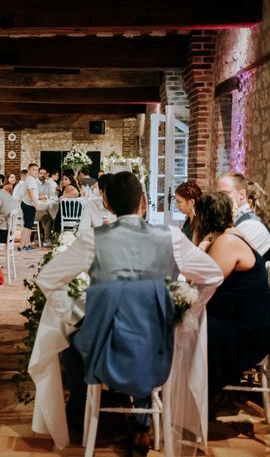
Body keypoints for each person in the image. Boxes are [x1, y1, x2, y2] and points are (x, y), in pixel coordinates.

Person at [36, 172, 223, 450]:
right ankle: (142, 422)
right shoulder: (171, 237)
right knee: (144, 338)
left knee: (70, 341)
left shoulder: (93, 239)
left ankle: (80, 412)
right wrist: (184, 312)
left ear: (108, 205)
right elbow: (213, 274)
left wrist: (79, 316)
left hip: (104, 355)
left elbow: (47, 279)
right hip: (158, 353)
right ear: (143, 203)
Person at [194, 191, 270, 400]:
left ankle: (196, 395)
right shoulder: (229, 236)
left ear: (202, 219)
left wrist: (199, 242)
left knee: (195, 329)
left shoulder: (227, 242)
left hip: (249, 332)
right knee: (195, 325)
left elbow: (204, 286)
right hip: (242, 320)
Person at [216, 173, 270, 260]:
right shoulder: (233, 220)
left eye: (224, 194)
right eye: (217, 195)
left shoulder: (252, 226)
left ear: (241, 195)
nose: (219, 200)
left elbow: (223, 261)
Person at [18, 163, 40, 252]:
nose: (36, 171)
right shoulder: (30, 179)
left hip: (29, 204)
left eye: (37, 170)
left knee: (29, 226)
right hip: (28, 205)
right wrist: (36, 204)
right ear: (29, 170)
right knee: (27, 226)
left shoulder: (32, 179)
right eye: (33, 169)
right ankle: (21, 246)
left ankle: (26, 245)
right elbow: (30, 192)